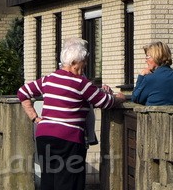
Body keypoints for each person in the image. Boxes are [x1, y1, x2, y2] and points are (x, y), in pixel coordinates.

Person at [17, 38, 126, 190]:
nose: (86, 64)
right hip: (68, 138)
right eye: (84, 61)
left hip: (44, 135)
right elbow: (105, 102)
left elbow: (22, 93)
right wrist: (119, 98)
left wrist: (35, 117)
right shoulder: (81, 83)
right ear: (75, 63)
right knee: (69, 181)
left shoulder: (49, 79)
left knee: (49, 180)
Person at [130, 41, 173, 106]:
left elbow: (135, 98)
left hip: (154, 116)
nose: (146, 60)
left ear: (156, 57)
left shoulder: (150, 79)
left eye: (147, 56)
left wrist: (141, 76)